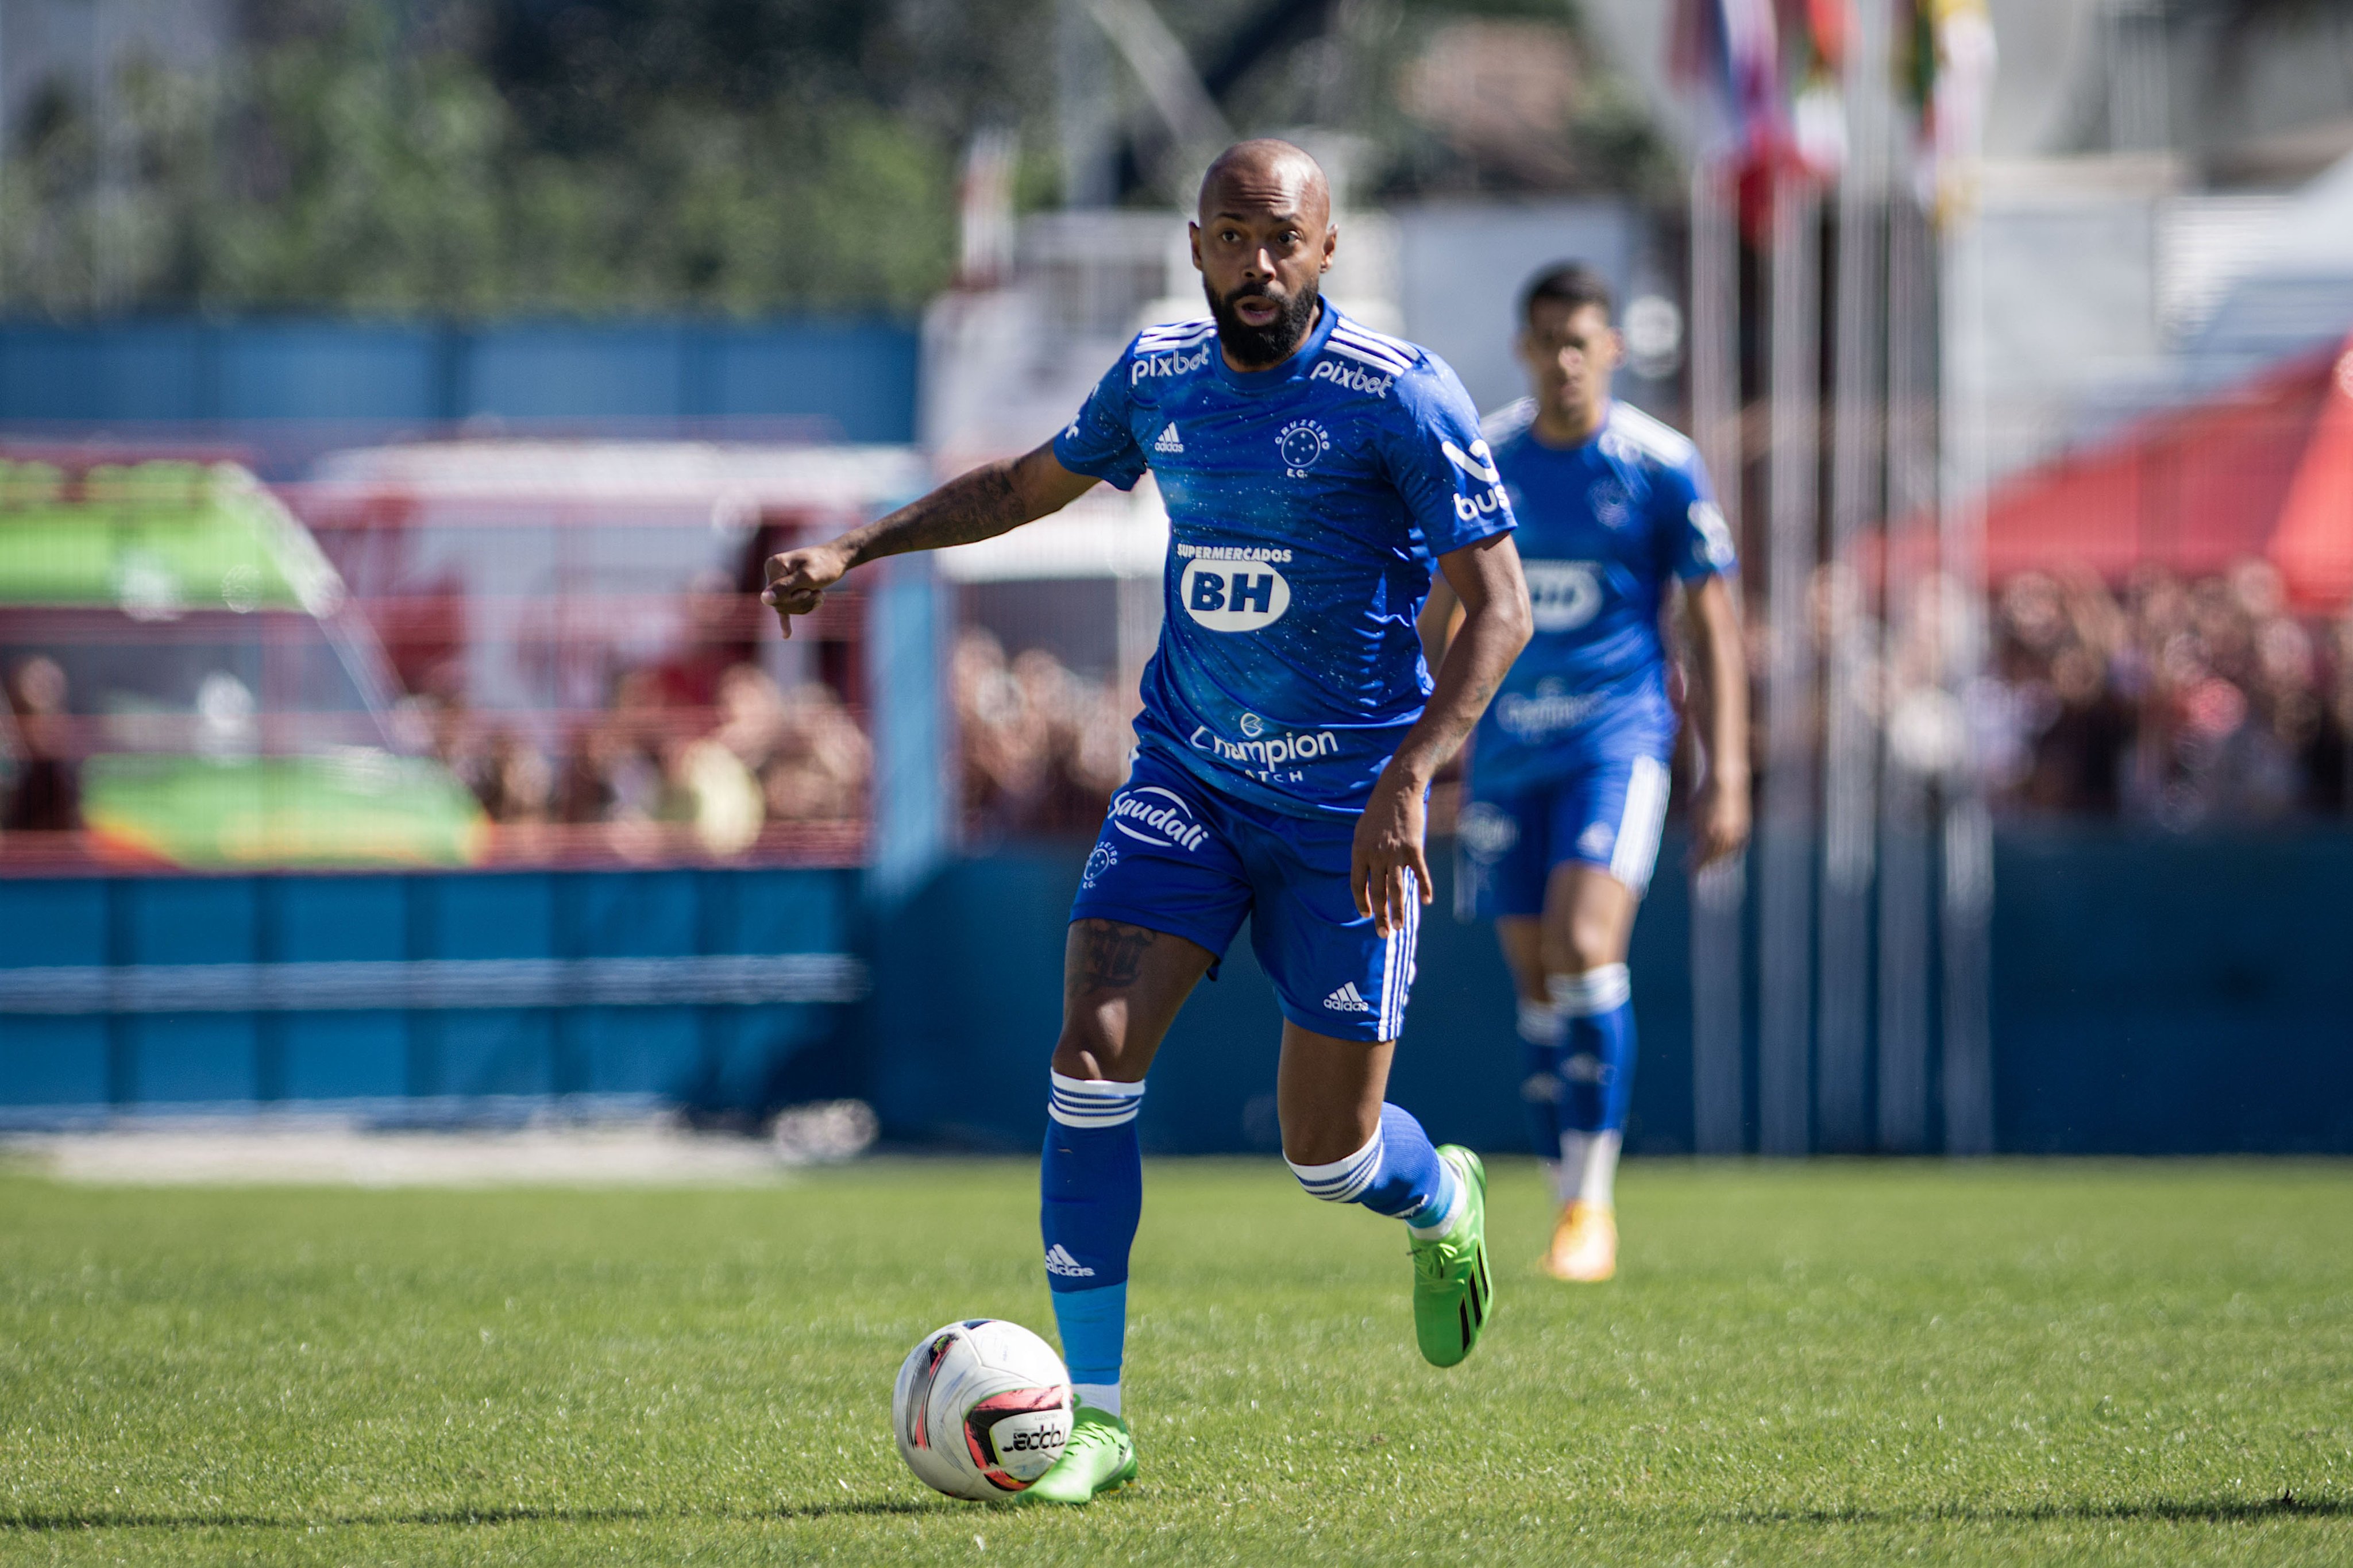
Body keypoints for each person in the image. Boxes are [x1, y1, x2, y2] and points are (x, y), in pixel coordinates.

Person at [762, 139, 1532, 1505]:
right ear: (1194, 245)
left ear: (1327, 247)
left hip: (1344, 815)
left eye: (1280, 238)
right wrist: (855, 550)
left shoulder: (1397, 398)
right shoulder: (1160, 375)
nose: (1255, 264)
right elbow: (1021, 486)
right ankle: (1100, 1420)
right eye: (1230, 236)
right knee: (1088, 1052)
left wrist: (1412, 775)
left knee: (1329, 1153)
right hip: (1185, 779)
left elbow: (1501, 607)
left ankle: (1438, 1198)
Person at [1420, 262, 1749, 1284]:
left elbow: (1711, 623)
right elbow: (1441, 611)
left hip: (1618, 742)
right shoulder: (1492, 456)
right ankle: (1566, 1194)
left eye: (1583, 341)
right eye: (1548, 340)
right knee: (1535, 978)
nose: (1565, 360)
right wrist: (1428, 753)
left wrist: (1728, 768)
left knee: (1583, 940)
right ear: (1525, 347)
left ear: (1612, 348)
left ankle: (1593, 1205)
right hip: (1510, 756)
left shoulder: (1660, 464)